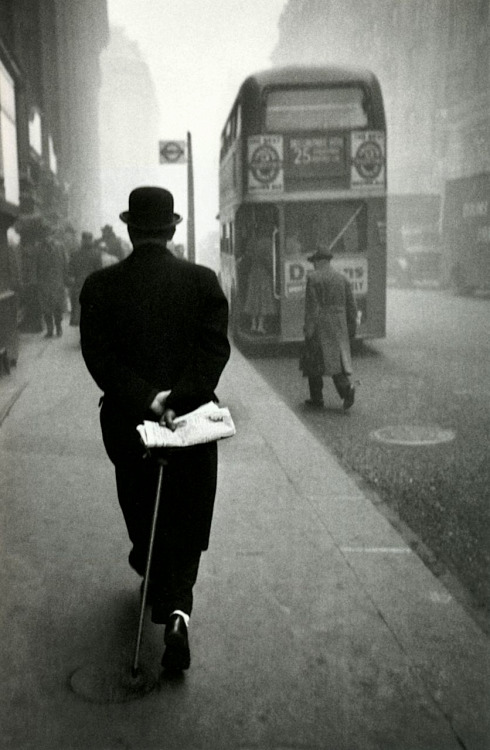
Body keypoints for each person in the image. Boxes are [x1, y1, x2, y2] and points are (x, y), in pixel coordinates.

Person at [79, 186, 230, 672]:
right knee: (188, 519)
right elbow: (213, 352)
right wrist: (179, 399)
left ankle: (148, 566)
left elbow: (98, 357)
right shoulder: (203, 282)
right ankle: (178, 611)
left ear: (129, 228)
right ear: (171, 230)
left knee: (141, 509)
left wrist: (148, 399)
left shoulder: (100, 287)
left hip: (129, 425)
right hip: (190, 427)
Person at [300, 247, 357, 410]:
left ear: (319, 262)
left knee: (314, 361)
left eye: (314, 262)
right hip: (339, 325)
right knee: (336, 361)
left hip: (320, 324)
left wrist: (308, 329)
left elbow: (311, 307)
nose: (313, 265)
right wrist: (351, 326)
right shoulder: (342, 278)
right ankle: (346, 390)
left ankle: (317, 398)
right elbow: (351, 306)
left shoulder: (313, 278)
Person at [36, 225, 67, 338]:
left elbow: (65, 262)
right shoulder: (39, 248)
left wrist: (65, 278)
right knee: (46, 307)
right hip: (44, 282)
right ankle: (50, 330)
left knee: (57, 306)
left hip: (57, 281)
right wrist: (37, 281)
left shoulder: (60, 246)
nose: (47, 238)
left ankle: (58, 327)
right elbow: (36, 265)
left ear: (52, 235)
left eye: (49, 235)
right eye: (45, 235)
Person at [68, 232, 102, 326]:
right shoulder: (96, 253)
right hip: (86, 285)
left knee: (81, 309)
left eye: (88, 239)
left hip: (84, 285)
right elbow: (99, 270)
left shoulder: (75, 253)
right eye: (86, 239)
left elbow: (70, 270)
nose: (87, 241)